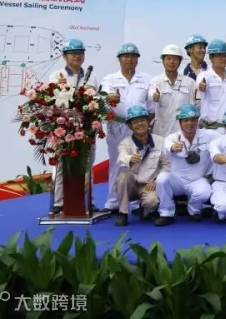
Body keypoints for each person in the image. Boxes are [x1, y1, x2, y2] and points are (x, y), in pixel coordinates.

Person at [48, 38, 98, 213]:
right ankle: (58, 202)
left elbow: (95, 100)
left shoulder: (90, 76)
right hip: (64, 128)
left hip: (85, 128)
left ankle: (88, 201)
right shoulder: (57, 75)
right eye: (73, 53)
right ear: (64, 56)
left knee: (87, 164)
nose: (77, 56)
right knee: (62, 165)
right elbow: (51, 100)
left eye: (80, 53)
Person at [101, 43, 152, 214]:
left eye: (133, 56)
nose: (129, 59)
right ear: (119, 59)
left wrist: (147, 127)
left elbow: (151, 107)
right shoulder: (110, 79)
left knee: (140, 163)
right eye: (125, 56)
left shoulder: (146, 79)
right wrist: (108, 97)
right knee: (117, 163)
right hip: (118, 126)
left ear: (137, 60)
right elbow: (102, 98)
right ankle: (113, 202)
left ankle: (138, 203)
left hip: (139, 127)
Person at [153, 104, 215, 227]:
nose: (190, 123)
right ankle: (166, 213)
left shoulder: (208, 135)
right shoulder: (172, 138)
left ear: (197, 120)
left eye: (193, 120)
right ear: (180, 122)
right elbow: (166, 146)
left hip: (197, 179)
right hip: (177, 181)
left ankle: (193, 210)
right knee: (162, 179)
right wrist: (173, 147)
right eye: (186, 120)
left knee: (205, 192)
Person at [114, 105, 166, 226]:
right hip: (131, 185)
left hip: (148, 185)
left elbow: (166, 165)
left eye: (142, 120)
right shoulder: (125, 143)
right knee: (124, 176)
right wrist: (130, 159)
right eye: (135, 122)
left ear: (148, 122)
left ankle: (145, 207)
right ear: (130, 126)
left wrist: (156, 180)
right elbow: (121, 158)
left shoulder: (160, 141)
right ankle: (122, 213)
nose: (139, 124)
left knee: (152, 202)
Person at [150, 44, 196, 138]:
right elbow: (152, 95)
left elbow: (194, 106)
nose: (171, 62)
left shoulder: (190, 82)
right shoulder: (156, 81)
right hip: (161, 133)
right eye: (168, 59)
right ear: (163, 61)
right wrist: (155, 96)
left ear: (180, 61)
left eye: (175, 59)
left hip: (183, 133)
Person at [195, 39, 226, 136]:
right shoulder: (204, 76)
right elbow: (200, 85)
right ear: (211, 57)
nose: (223, 58)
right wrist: (201, 86)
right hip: (210, 131)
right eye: (219, 55)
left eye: (225, 55)